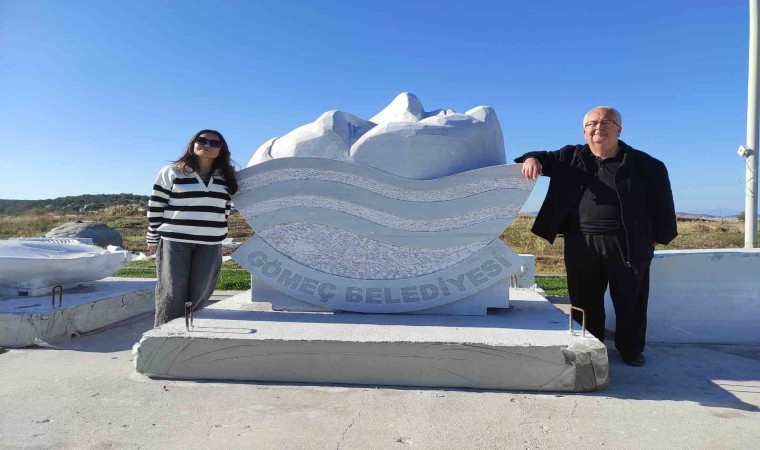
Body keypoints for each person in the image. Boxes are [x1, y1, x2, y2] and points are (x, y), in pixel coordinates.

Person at [515, 106, 677, 367]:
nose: (598, 127)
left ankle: (631, 350)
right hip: (581, 242)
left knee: (631, 302)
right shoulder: (569, 157)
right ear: (584, 130)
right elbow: (537, 156)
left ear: (619, 129)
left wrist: (653, 239)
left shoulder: (647, 165)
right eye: (592, 123)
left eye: (606, 122)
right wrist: (531, 160)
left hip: (628, 245)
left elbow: (664, 206)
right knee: (584, 300)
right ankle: (590, 347)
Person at [146, 129, 239, 326]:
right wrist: (153, 238)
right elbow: (156, 207)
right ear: (193, 143)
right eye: (202, 140)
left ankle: (191, 335)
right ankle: (164, 338)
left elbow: (226, 209)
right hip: (175, 241)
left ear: (221, 150)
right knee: (172, 292)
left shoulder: (226, 177)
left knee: (201, 291)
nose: (207, 145)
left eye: (215, 143)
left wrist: (218, 231)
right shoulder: (172, 171)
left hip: (210, 242)